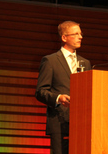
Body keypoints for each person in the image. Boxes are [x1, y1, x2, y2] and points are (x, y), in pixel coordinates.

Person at [35, 20, 91, 154]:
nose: (80, 37)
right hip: (59, 122)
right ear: (64, 37)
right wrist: (58, 98)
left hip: (82, 123)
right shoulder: (50, 61)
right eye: (76, 34)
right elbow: (40, 92)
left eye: (81, 33)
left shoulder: (86, 63)